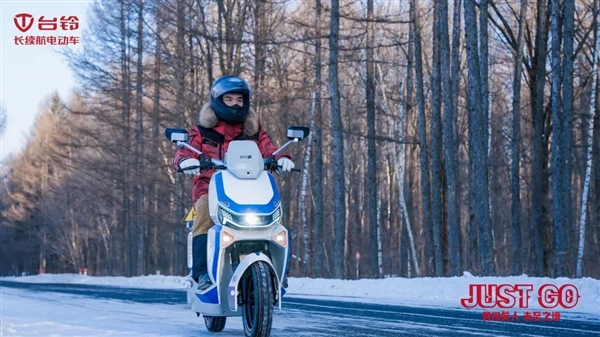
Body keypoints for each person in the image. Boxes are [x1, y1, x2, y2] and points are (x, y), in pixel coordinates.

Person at [172, 75, 294, 290]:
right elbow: (184, 151)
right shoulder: (201, 131)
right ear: (217, 100)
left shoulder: (254, 131)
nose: (235, 104)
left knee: (276, 216)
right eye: (229, 100)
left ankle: (280, 270)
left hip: (250, 188)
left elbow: (269, 149)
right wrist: (186, 160)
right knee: (203, 213)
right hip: (210, 187)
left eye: (239, 100)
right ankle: (200, 274)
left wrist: (282, 159)